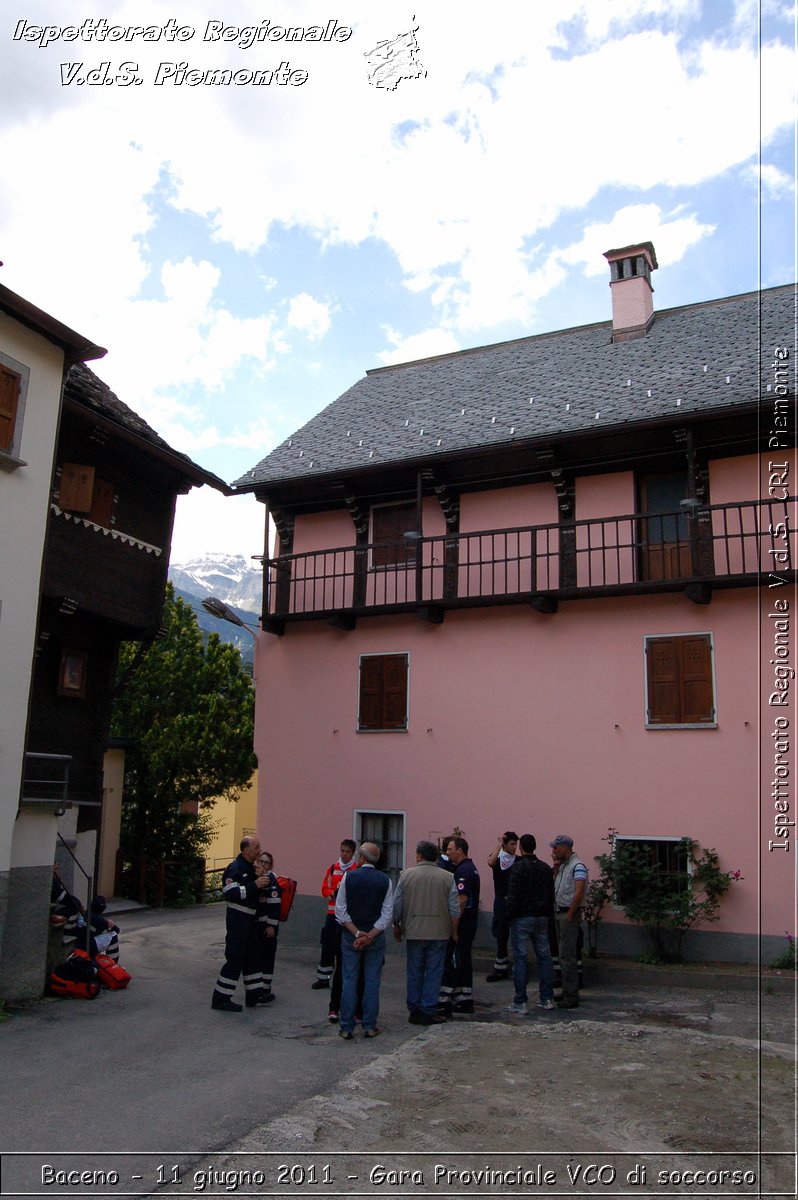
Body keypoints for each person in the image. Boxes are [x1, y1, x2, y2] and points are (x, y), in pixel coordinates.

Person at [393, 840, 460, 1025]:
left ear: (419, 855)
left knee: (414, 970)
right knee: (434, 971)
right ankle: (428, 1009)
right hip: (439, 931)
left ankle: (414, 1009)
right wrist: (454, 931)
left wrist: (396, 925)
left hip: (414, 930)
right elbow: (454, 908)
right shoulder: (447, 877)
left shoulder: (406, 875)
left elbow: (397, 904)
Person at [335, 842, 393, 1039]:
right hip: (374, 938)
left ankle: (346, 1026)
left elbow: (340, 911)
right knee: (372, 981)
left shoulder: (348, 877)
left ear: (361, 858)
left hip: (351, 935)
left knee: (349, 980)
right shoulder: (385, 880)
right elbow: (387, 915)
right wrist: (370, 935)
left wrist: (357, 933)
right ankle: (369, 1025)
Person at [211, 836, 273, 1012]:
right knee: (235, 958)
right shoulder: (235, 869)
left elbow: (259, 893)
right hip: (238, 922)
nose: (260, 850)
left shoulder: (252, 868)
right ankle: (221, 998)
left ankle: (254, 994)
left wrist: (262, 881)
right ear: (246, 850)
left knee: (252, 957)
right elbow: (230, 893)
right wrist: (255, 885)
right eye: (256, 847)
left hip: (251, 922)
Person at [503, 834, 555, 1015]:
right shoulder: (545, 868)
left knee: (521, 958)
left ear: (521, 848)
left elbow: (513, 896)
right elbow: (550, 894)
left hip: (522, 917)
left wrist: (507, 916)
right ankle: (547, 997)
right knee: (544, 957)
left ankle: (521, 1001)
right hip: (541, 916)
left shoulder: (517, 869)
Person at [313, 839, 358, 1014]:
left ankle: (342, 978)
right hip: (332, 914)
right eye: (342, 851)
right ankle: (323, 977)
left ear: (353, 853)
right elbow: (324, 887)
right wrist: (331, 893)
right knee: (327, 946)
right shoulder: (333, 868)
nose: (344, 854)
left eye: (347, 852)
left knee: (342, 949)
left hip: (346, 917)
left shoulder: (355, 871)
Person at [438, 836, 480, 1016]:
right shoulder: (470, 868)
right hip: (469, 922)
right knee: (463, 959)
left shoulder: (463, 871)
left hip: (463, 923)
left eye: (450, 849)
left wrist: (453, 927)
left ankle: (445, 1000)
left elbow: (461, 900)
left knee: (454, 960)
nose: (447, 853)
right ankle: (464, 998)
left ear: (460, 851)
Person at [550, 834, 588, 1009]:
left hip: (567, 914)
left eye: (556, 848)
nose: (554, 851)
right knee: (562, 954)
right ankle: (567, 990)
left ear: (565, 847)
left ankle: (571, 995)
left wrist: (571, 913)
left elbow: (579, 892)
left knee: (567, 955)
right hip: (560, 912)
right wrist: (555, 869)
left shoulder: (577, 866)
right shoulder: (563, 867)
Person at [485, 831, 518, 981]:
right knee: (500, 934)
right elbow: (490, 862)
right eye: (512, 844)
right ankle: (500, 966)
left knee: (517, 933)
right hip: (500, 900)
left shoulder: (518, 861)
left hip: (514, 901)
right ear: (505, 845)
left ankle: (518, 967)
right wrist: (499, 844)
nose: (515, 847)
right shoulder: (498, 859)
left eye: (516, 844)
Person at [254, 850, 282, 1003]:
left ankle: (265, 989)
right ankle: (258, 988)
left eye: (266, 862)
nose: (262, 864)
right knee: (258, 956)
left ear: (270, 865)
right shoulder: (259, 878)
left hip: (268, 927)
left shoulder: (271, 880)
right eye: (260, 861)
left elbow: (275, 905)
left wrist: (272, 925)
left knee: (267, 957)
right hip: (259, 925)